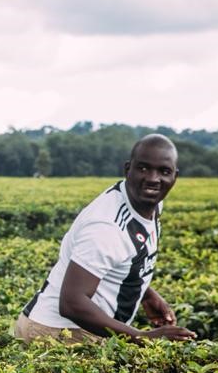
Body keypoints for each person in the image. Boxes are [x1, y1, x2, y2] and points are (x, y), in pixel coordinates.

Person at [14, 134, 196, 343]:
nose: (153, 179)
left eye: (164, 171)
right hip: (57, 330)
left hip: (73, 325)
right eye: (143, 168)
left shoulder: (148, 203)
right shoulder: (106, 227)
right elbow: (72, 303)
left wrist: (145, 293)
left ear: (175, 176)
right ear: (128, 169)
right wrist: (142, 337)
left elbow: (123, 258)